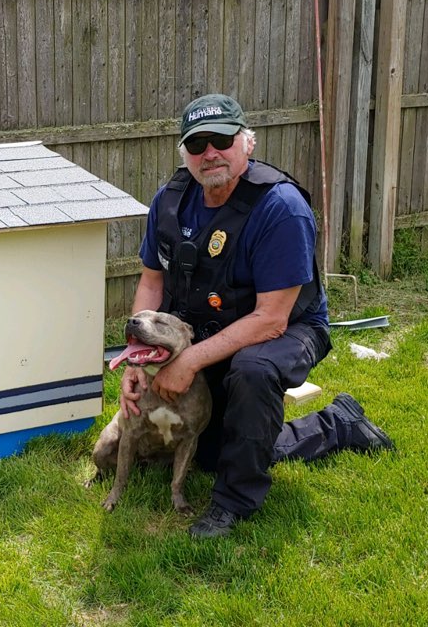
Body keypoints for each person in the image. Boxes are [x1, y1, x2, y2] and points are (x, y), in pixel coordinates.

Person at [121, 93, 393, 538]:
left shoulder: (280, 208)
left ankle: (233, 503)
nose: (210, 153)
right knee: (218, 448)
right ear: (185, 155)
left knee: (252, 371)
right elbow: (152, 282)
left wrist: (188, 361)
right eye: (197, 144)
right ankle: (337, 423)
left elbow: (271, 320)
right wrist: (138, 358)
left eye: (222, 140)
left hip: (287, 328)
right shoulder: (169, 202)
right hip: (213, 329)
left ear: (247, 142)